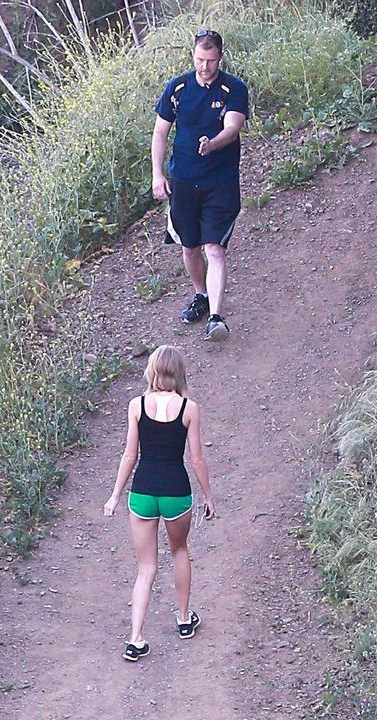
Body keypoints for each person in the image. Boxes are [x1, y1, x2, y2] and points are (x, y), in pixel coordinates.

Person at [104, 345, 216, 662]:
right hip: (175, 492)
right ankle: (183, 619)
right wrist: (208, 496)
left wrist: (115, 495)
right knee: (179, 550)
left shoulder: (136, 405)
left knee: (146, 568)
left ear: (151, 370)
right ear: (179, 372)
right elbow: (196, 458)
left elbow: (130, 455)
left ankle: (135, 639)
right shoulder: (189, 408)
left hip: (142, 492)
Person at [151, 30, 249, 342]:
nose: (204, 66)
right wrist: (157, 173)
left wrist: (213, 144)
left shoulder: (234, 88)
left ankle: (217, 318)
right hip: (182, 180)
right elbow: (160, 133)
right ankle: (201, 296)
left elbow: (232, 127)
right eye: (199, 59)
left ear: (220, 57)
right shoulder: (177, 88)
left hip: (219, 182)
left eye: (210, 60)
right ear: (192, 55)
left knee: (214, 248)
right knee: (190, 247)